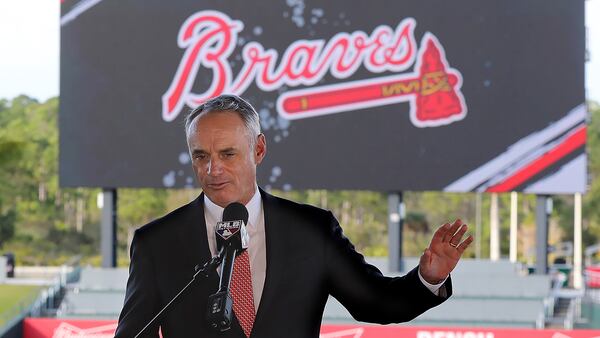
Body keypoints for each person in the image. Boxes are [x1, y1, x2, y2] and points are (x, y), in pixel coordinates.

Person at [115, 94, 473, 338]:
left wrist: (427, 278)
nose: (212, 169)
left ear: (258, 149)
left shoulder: (311, 230)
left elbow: (375, 302)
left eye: (227, 154)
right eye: (200, 156)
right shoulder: (156, 243)